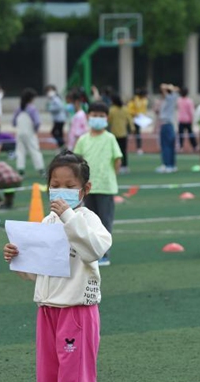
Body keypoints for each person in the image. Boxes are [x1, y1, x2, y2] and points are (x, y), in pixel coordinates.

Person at [3, 152, 112, 382]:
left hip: (77, 311)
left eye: (69, 185)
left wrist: (69, 216)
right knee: (48, 381)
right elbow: (37, 272)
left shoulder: (88, 220)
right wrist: (16, 258)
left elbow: (95, 249)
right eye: (54, 185)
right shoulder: (46, 223)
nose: (60, 192)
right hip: (48, 311)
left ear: (84, 189)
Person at [74, 102, 121, 266]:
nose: (98, 119)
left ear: (107, 118)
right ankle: (91, 253)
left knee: (104, 222)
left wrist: (111, 176)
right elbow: (76, 162)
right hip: (87, 188)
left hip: (106, 187)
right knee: (88, 222)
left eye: (102, 116)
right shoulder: (83, 139)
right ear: (88, 117)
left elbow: (117, 159)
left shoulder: (110, 138)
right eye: (94, 115)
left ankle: (104, 254)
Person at [13, 88, 45, 177]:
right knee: (34, 150)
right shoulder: (32, 109)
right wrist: (35, 129)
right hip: (30, 132)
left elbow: (14, 122)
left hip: (20, 132)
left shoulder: (19, 108)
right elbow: (37, 122)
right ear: (31, 98)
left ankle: (20, 170)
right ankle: (41, 169)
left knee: (20, 151)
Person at [108, 95, 134, 174]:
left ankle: (116, 166)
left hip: (114, 133)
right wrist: (132, 128)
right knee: (123, 151)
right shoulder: (125, 109)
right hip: (123, 133)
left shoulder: (111, 110)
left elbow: (109, 121)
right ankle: (124, 166)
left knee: (114, 152)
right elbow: (129, 119)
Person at [157, 83, 179, 173]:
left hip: (166, 124)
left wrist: (168, 87)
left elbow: (163, 87)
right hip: (168, 124)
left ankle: (167, 165)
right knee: (169, 145)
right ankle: (171, 165)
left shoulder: (170, 98)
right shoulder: (170, 99)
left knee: (166, 145)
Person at [127, 88, 148, 154]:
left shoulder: (144, 100)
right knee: (127, 133)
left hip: (139, 120)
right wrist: (134, 114)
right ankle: (124, 147)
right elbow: (129, 109)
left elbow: (143, 109)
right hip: (131, 120)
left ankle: (139, 148)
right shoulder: (134, 100)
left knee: (138, 134)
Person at [177, 87, 197, 153]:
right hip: (187, 120)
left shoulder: (179, 100)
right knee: (189, 134)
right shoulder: (189, 101)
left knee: (183, 134)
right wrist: (192, 119)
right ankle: (194, 146)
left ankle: (182, 147)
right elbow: (191, 111)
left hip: (183, 120)